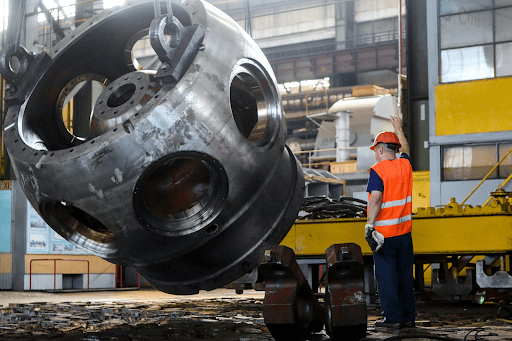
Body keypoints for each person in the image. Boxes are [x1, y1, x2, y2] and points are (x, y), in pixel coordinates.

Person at [365, 116, 415, 329]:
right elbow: (407, 149)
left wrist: (370, 225)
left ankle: (393, 319)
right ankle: (407, 318)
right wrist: (398, 128)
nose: (375, 155)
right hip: (404, 233)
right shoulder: (406, 165)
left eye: (376, 151)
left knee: (387, 278)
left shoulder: (379, 171)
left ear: (380, 150)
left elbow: (376, 199)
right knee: (404, 276)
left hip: (384, 235)